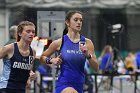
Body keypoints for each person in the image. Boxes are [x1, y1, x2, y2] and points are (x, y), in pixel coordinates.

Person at [40, 10, 98, 93]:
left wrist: (88, 55)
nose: (79, 22)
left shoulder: (87, 42)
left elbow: (96, 68)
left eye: (81, 20)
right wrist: (51, 60)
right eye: (76, 20)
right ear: (67, 22)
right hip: (64, 84)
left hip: (79, 85)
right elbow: (42, 58)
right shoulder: (59, 42)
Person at [0, 21, 36, 93]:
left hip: (21, 88)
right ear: (20, 33)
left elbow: (28, 69)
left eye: (33, 32)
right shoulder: (9, 48)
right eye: (28, 31)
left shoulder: (33, 52)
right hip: (6, 87)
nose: (31, 34)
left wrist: (31, 75)